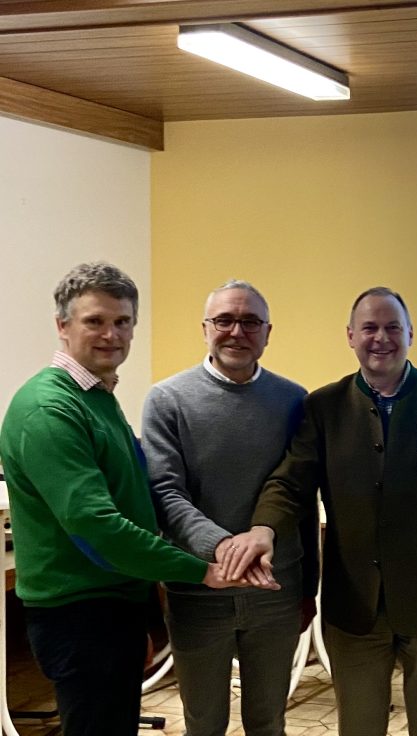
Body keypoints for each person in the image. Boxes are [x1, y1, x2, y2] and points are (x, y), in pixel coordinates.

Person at [226, 286, 417, 736]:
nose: (381, 338)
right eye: (369, 328)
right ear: (350, 336)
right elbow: (291, 482)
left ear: (410, 333)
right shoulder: (323, 406)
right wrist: (263, 528)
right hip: (354, 605)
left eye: (392, 327)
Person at [0, 262, 252, 736]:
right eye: (95, 321)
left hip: (113, 606)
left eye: (123, 322)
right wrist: (201, 570)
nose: (111, 335)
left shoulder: (97, 395)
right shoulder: (49, 410)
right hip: (81, 617)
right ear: (62, 325)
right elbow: (99, 529)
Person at [141, 280, 319, 736]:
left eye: (250, 321)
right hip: (199, 590)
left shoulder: (295, 400)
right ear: (205, 329)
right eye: (224, 320)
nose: (236, 331)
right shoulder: (167, 400)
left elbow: (299, 495)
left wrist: (307, 590)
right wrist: (224, 548)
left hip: (276, 591)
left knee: (269, 721)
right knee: (204, 723)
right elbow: (165, 493)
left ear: (267, 332)